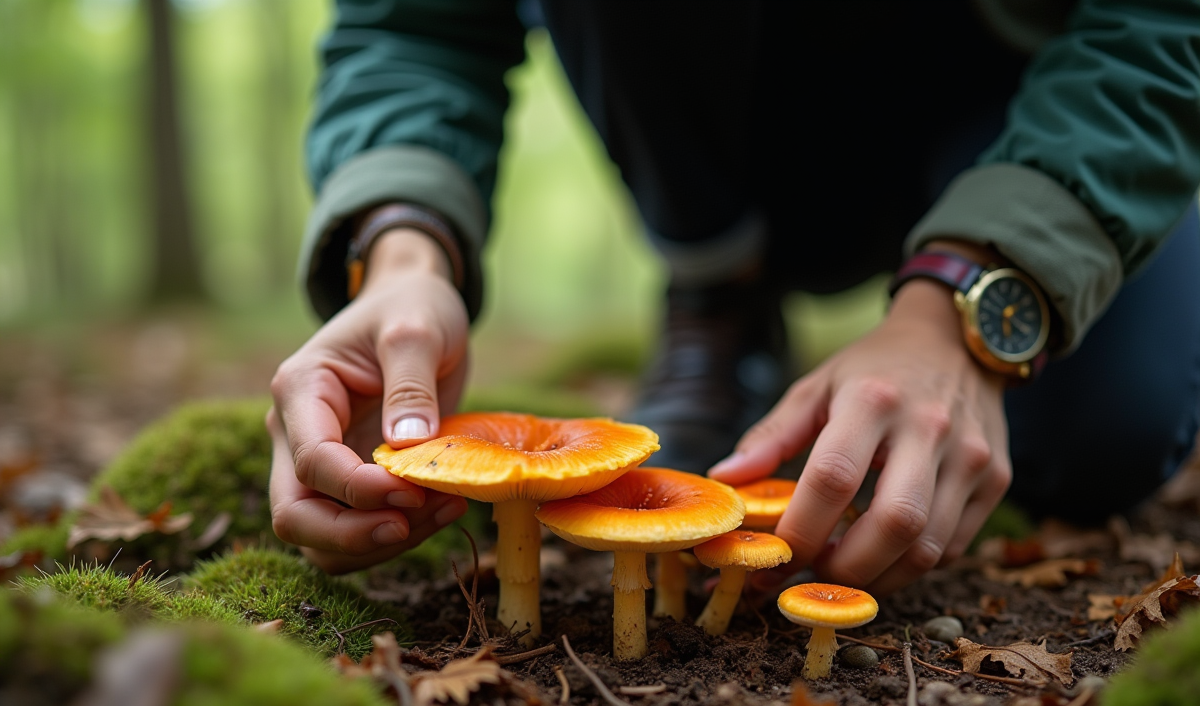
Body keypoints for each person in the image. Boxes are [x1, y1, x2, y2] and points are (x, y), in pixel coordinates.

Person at [268, 1, 1200, 596]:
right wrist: (402, 253)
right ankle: (719, 292)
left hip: (1021, 85)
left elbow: (1165, 23)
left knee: (1105, 433)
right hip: (705, 95)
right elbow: (412, 25)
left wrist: (977, 300)